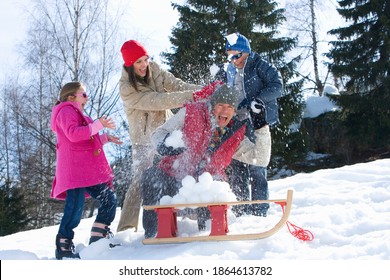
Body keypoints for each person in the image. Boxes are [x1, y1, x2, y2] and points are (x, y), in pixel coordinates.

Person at [140, 84, 271, 238]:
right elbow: (158, 133)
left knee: (213, 184)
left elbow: (261, 159)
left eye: (229, 107)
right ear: (212, 106)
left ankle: (207, 233)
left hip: (205, 186)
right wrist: (163, 146)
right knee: (152, 176)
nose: (224, 111)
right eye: (220, 105)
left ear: (234, 111)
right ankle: (154, 233)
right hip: (173, 178)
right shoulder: (190, 112)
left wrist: (261, 126)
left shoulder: (234, 134)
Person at [117, 40, 210, 233]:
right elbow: (157, 101)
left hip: (165, 133)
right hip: (143, 139)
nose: (144, 65)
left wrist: (204, 90)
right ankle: (126, 227)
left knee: (174, 169)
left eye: (145, 59)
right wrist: (193, 96)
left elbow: (177, 85)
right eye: (138, 62)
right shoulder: (127, 88)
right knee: (139, 180)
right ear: (129, 65)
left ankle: (180, 214)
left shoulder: (155, 69)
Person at [50, 81, 122, 260]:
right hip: (74, 170)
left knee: (109, 199)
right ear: (71, 97)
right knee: (75, 208)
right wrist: (98, 125)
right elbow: (74, 134)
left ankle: (98, 239)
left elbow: (86, 139)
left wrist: (104, 138)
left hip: (87, 171)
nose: (87, 98)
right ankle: (63, 246)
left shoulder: (76, 113)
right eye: (84, 94)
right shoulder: (65, 111)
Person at [216, 32, 283, 217]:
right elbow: (216, 89)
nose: (234, 60)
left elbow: (277, 85)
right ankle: (241, 210)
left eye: (237, 55)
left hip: (256, 121)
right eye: (230, 56)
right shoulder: (226, 69)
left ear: (246, 52)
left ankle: (259, 210)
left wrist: (258, 100)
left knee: (257, 165)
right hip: (236, 122)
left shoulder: (260, 65)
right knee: (237, 165)